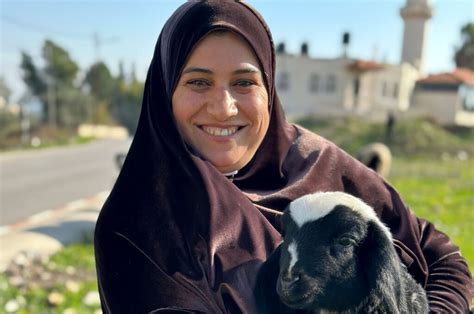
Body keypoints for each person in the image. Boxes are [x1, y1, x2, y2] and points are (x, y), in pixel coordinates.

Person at [94, 1, 472, 313]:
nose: (224, 108)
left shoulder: (319, 164)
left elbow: (440, 256)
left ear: (269, 91)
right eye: (198, 82)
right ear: (165, 92)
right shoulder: (137, 227)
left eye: (244, 82)